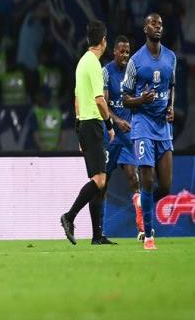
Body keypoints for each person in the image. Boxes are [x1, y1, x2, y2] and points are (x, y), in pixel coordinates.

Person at [122, 13, 176, 250]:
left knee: (165, 187)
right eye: (153, 24)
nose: (158, 27)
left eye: (160, 24)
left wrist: (171, 107)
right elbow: (125, 99)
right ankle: (148, 234)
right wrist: (141, 100)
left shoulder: (171, 57)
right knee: (147, 179)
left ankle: (142, 206)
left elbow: (171, 87)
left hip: (163, 126)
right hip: (142, 124)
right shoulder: (135, 61)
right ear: (145, 29)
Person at [60, 20, 115, 245]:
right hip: (92, 123)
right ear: (104, 41)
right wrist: (109, 125)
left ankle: (97, 236)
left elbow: (76, 100)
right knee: (100, 181)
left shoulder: (82, 62)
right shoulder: (94, 64)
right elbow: (99, 100)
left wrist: (78, 131)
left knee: (98, 180)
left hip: (84, 124)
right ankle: (69, 216)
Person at [100, 35, 142, 240]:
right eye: (122, 51)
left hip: (127, 136)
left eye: (128, 52)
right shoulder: (106, 72)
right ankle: (99, 229)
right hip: (110, 134)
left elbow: (137, 100)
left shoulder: (133, 72)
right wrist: (117, 121)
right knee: (103, 183)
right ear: (114, 51)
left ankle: (142, 227)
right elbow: (103, 104)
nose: (125, 55)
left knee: (134, 178)